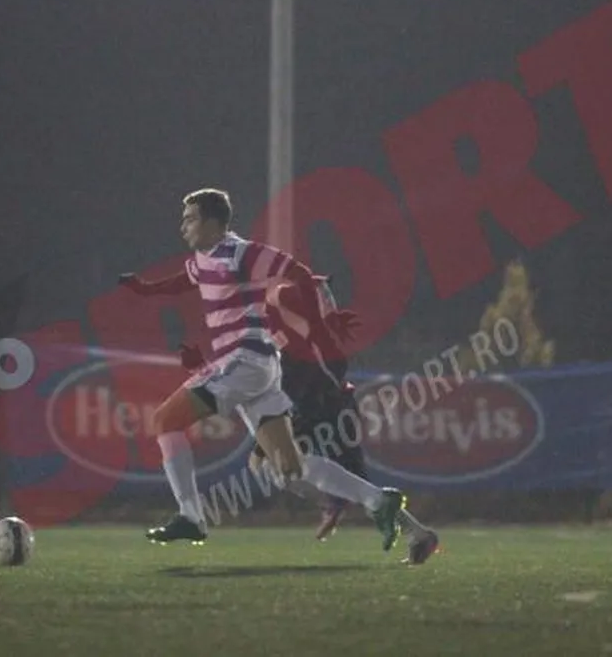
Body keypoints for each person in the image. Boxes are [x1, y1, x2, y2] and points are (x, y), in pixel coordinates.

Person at [119, 188, 406, 553]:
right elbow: (186, 279)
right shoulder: (204, 257)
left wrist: (321, 325)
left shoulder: (241, 253)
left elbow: (299, 274)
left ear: (213, 223)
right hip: (261, 369)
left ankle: (190, 517)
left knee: (165, 421)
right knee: (289, 466)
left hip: (243, 361)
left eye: (190, 219)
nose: (183, 227)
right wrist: (145, 290)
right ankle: (378, 500)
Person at [181, 274, 441, 564]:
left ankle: (341, 502)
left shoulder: (276, 299)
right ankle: (416, 533)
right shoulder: (254, 323)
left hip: (319, 400)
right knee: (336, 480)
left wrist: (326, 314)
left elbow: (313, 296)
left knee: (279, 466)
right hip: (318, 400)